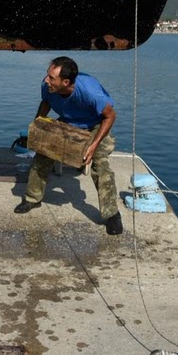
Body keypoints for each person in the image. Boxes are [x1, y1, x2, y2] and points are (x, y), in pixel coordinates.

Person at [14, 56, 123, 235]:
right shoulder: (47, 87)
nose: (46, 80)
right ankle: (33, 198)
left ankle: (112, 214)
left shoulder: (90, 93)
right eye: (47, 75)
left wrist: (93, 146)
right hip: (68, 121)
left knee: (100, 165)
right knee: (42, 156)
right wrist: (37, 127)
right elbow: (46, 103)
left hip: (96, 123)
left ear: (65, 82)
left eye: (51, 78)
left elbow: (110, 116)